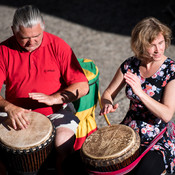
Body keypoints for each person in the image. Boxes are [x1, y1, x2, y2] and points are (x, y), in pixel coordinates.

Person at [0, 5, 89, 175]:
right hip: (16, 112)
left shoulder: (58, 46)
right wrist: (9, 108)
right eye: (24, 37)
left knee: (63, 142)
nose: (31, 42)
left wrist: (55, 98)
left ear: (43, 27)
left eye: (36, 36)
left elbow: (82, 86)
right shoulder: (3, 51)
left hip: (56, 110)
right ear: (13, 31)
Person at [100, 17, 175, 175]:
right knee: (102, 163)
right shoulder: (130, 65)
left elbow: (167, 114)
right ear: (140, 44)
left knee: (144, 171)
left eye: (161, 43)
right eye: (152, 45)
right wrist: (107, 103)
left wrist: (140, 92)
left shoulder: (171, 70)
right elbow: (107, 93)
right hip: (129, 130)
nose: (158, 50)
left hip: (157, 136)